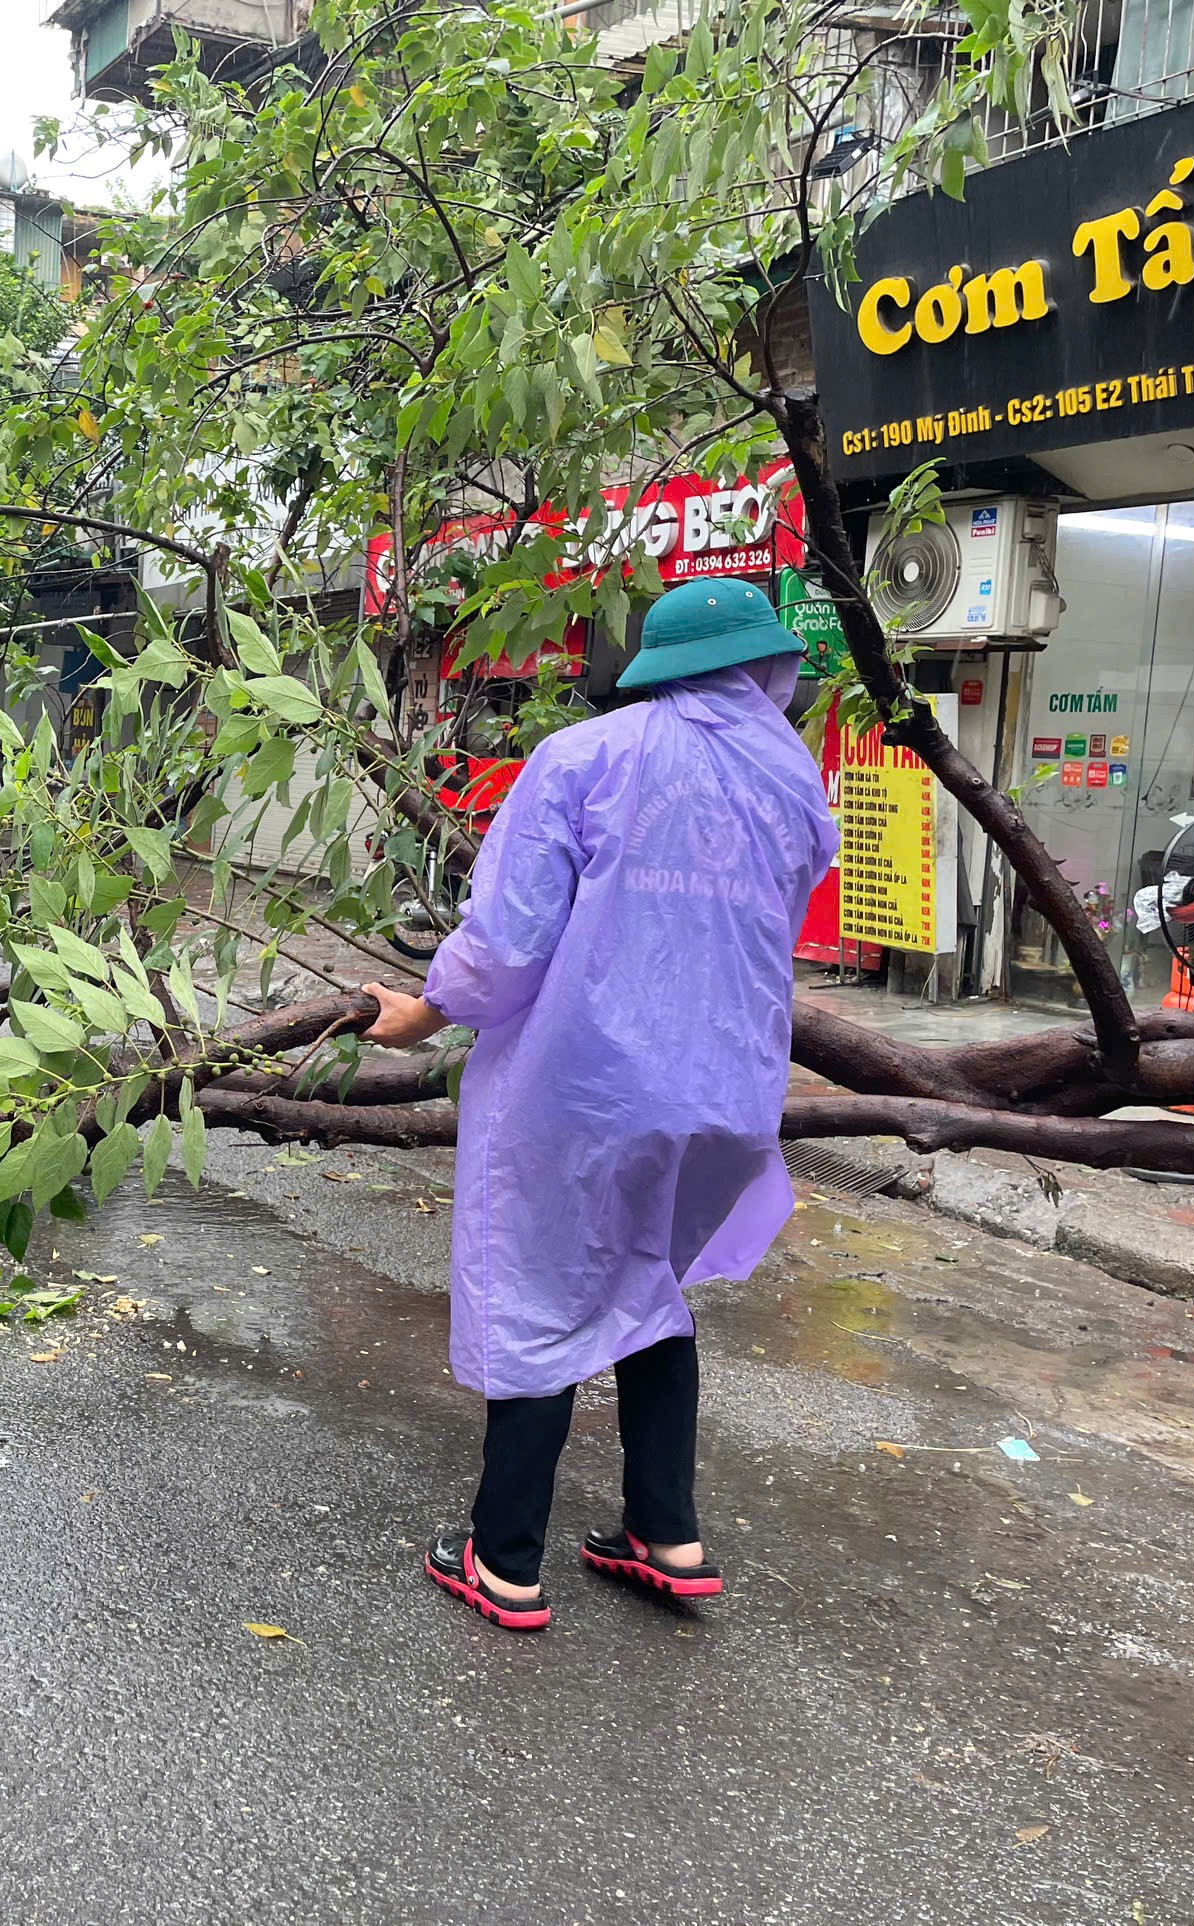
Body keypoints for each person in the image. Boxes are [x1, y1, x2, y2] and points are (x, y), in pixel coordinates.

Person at [362, 577, 837, 1631]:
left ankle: (505, 1558)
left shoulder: (584, 760)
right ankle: (669, 1537)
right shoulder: (795, 783)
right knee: (649, 1282)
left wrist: (427, 1012)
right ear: (765, 670)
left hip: (589, 1086)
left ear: (655, 671)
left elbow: (507, 945)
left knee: (540, 1283)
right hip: (729, 1090)